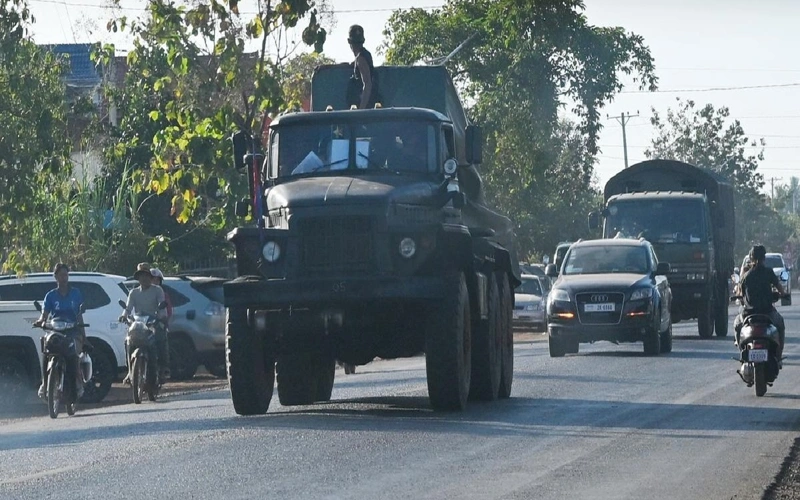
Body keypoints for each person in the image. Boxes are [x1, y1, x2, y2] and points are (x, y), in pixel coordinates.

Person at [34, 263, 86, 400]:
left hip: (72, 330)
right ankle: (45, 383)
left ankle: (77, 383)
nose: (64, 278)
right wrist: (41, 321)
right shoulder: (50, 296)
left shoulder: (76, 293)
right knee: (46, 350)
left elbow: (79, 315)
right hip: (55, 330)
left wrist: (83, 334)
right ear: (55, 277)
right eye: (61, 275)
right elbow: (44, 315)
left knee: (74, 354)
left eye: (66, 275)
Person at [734, 245, 788, 364]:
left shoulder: (746, 276)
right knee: (780, 324)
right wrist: (783, 294)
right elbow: (781, 290)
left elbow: (740, 293)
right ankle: (778, 355)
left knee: (737, 325)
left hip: (748, 315)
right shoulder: (769, 272)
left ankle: (741, 353)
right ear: (764, 258)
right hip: (767, 313)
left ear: (751, 258)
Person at [120, 263, 169, 383]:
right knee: (128, 342)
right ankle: (130, 372)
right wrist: (124, 316)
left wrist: (161, 316)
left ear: (150, 277)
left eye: (146, 275)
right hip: (138, 325)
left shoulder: (157, 290)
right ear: (138, 278)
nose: (144, 278)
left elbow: (162, 307)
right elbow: (128, 308)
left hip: (153, 324)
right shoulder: (134, 293)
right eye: (141, 276)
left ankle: (163, 369)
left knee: (160, 339)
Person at [346, 24, 378, 110]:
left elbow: (367, 84)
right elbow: (349, 64)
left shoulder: (361, 58)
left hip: (366, 108)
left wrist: (361, 110)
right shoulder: (364, 55)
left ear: (349, 41)